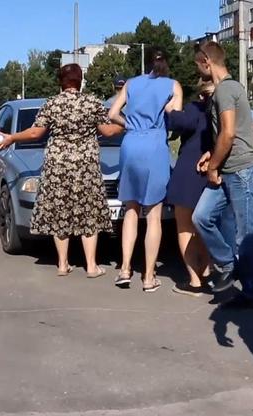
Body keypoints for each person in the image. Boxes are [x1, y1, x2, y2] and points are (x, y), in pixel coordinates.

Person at [0, 64, 123, 278]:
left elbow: (35, 133)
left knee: (60, 213)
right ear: (80, 81)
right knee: (88, 214)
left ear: (61, 83)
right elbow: (108, 131)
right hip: (85, 165)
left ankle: (63, 264)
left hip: (58, 166)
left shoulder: (52, 104)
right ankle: (91, 266)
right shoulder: (91, 102)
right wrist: (126, 125)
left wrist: (12, 138)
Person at [192, 41, 253, 309]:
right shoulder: (227, 89)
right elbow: (233, 131)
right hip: (227, 168)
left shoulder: (225, 89)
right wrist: (212, 155)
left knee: (246, 236)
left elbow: (230, 133)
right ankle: (227, 264)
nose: (198, 71)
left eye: (198, 65)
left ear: (206, 62)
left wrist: (212, 167)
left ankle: (251, 294)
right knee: (201, 216)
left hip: (241, 171)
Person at [109, 49, 183, 292]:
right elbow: (175, 119)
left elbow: (112, 114)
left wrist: (130, 124)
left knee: (130, 210)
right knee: (153, 215)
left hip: (130, 144)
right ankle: (149, 276)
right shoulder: (173, 85)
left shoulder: (131, 84)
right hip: (155, 145)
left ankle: (125, 269)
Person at [164, 80, 217, 296]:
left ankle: (194, 281)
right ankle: (206, 272)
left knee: (185, 227)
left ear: (200, 94)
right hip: (212, 173)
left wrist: (171, 109)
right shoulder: (224, 112)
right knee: (203, 226)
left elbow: (179, 123)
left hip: (188, 172)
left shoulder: (195, 109)